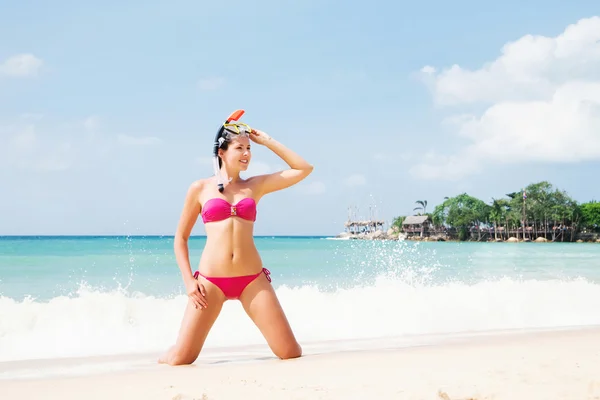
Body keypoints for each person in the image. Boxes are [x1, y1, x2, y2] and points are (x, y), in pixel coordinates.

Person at [158, 124, 313, 366]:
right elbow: (180, 238)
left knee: (290, 352)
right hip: (210, 282)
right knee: (180, 359)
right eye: (240, 148)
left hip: (252, 280)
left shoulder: (255, 186)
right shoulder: (200, 188)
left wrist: (267, 141)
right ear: (221, 152)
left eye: (249, 148)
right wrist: (189, 281)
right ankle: (167, 353)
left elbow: (303, 168)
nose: (247, 154)